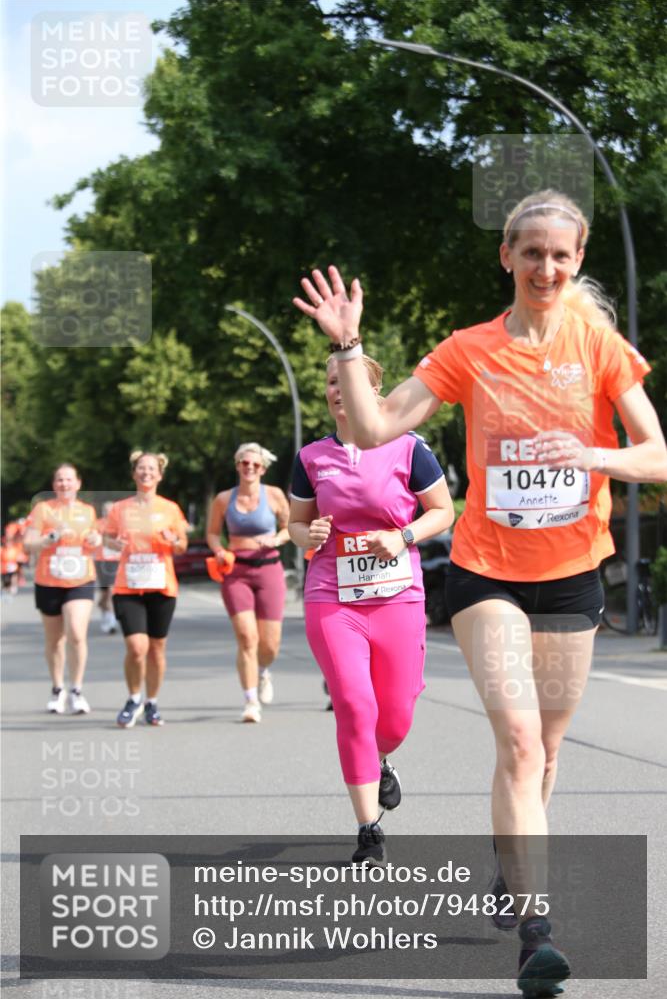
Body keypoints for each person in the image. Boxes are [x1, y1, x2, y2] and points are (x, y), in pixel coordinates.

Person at [293, 190, 667, 995]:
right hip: (486, 572)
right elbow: (369, 428)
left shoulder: (599, 346)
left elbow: (657, 455)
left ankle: (510, 862)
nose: (545, 266)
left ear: (578, 257)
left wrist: (589, 458)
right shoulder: (467, 349)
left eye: (560, 253)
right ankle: (537, 932)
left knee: (550, 751)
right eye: (529, 251)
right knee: (521, 743)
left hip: (571, 575)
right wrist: (350, 346)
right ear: (505, 257)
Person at [288, 354, 454, 864]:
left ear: (375, 390)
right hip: (332, 596)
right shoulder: (312, 456)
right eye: (332, 382)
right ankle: (368, 830)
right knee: (355, 705)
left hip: (398, 595)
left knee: (396, 715)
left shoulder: (408, 448)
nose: (340, 390)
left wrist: (401, 536)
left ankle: (382, 758)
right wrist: (307, 534)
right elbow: (297, 525)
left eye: (351, 381)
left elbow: (444, 512)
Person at [206, 443, 290, 723]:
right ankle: (250, 700)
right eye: (245, 463)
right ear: (237, 465)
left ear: (263, 469)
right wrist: (218, 549)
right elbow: (213, 533)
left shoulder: (275, 495)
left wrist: (276, 539)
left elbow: (291, 528)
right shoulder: (223, 499)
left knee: (270, 645)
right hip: (236, 572)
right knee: (246, 637)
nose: (249, 468)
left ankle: (263, 670)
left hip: (269, 569)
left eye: (255, 464)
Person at [103, 451, 188, 728]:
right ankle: (133, 697)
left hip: (162, 585)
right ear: (134, 474)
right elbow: (107, 538)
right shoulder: (120, 508)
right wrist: (116, 544)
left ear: (159, 475)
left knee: (156, 648)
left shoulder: (170, 508)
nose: (146, 473)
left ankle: (152, 702)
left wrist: (173, 539)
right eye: (141, 468)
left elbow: (181, 545)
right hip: (128, 585)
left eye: (151, 469)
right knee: (136, 647)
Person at [22, 464, 101, 714]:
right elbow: (28, 545)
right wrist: (50, 538)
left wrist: (95, 540)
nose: (64, 484)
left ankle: (76, 689)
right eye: (59, 480)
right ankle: (58, 689)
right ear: (54, 485)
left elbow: (96, 539)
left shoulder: (87, 511)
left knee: (77, 633)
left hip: (80, 580)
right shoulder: (43, 510)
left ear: (78, 483)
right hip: (49, 580)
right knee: (55, 640)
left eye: (69, 479)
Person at [94, 500, 120, 634]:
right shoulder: (98, 524)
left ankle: (111, 620)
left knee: (111, 590)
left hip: (116, 560)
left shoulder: (120, 524)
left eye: (111, 509)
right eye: (106, 509)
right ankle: (104, 609)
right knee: (104, 592)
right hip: (101, 560)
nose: (108, 512)